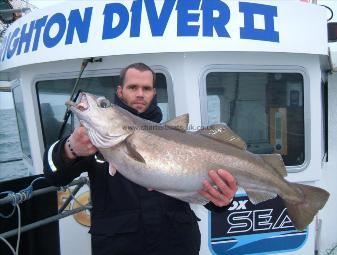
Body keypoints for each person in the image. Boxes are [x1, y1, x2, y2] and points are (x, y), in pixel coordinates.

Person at [43, 63, 237, 255]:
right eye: (132, 87)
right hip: (120, 246)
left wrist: (222, 199)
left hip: (177, 242)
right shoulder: (90, 138)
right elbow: (54, 176)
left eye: (146, 88)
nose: (140, 94)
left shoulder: (174, 135)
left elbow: (198, 187)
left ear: (154, 93)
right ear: (120, 91)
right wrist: (70, 148)